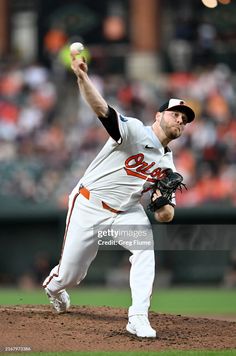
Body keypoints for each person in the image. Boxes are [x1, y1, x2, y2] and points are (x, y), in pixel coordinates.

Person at [43, 53, 195, 338]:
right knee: (72, 274)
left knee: (145, 249)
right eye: (176, 114)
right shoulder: (135, 131)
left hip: (125, 212)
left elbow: (165, 215)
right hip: (89, 203)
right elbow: (102, 109)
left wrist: (161, 201)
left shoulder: (167, 164)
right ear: (159, 115)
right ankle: (54, 287)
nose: (180, 120)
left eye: (185, 120)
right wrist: (82, 77)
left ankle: (137, 316)